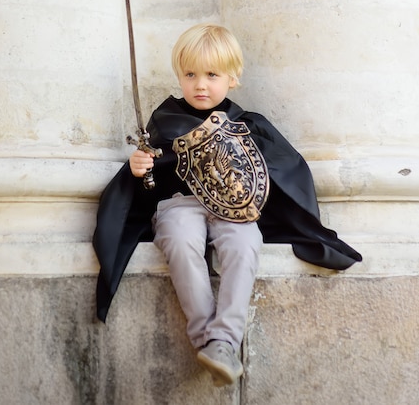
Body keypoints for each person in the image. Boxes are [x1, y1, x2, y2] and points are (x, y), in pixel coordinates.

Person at [92, 23, 362, 388]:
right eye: (190, 74)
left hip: (233, 209)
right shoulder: (165, 120)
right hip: (179, 204)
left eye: (211, 75)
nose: (200, 84)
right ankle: (211, 340)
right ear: (179, 76)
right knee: (181, 240)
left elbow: (280, 169)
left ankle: (224, 340)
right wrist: (140, 168)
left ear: (232, 79)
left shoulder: (248, 125)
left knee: (245, 244)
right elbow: (147, 178)